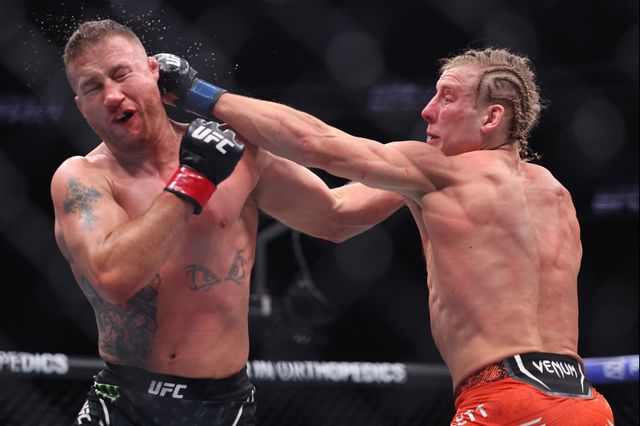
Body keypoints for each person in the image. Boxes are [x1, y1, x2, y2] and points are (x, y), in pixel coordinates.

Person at [154, 48, 616, 425]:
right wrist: (251, 158)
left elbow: (316, 143)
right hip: (586, 404)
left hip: (505, 400)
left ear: (492, 117)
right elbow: (335, 217)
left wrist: (197, 93)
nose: (427, 110)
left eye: (447, 97)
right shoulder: (556, 194)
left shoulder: (438, 172)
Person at [51, 19, 404, 426]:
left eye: (121, 74)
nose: (112, 95)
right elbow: (114, 277)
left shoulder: (236, 154)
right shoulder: (82, 178)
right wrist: (193, 180)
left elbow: (336, 215)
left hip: (224, 405)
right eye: (93, 87)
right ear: (81, 106)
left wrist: (426, 174)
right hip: (123, 404)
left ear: (153, 72)